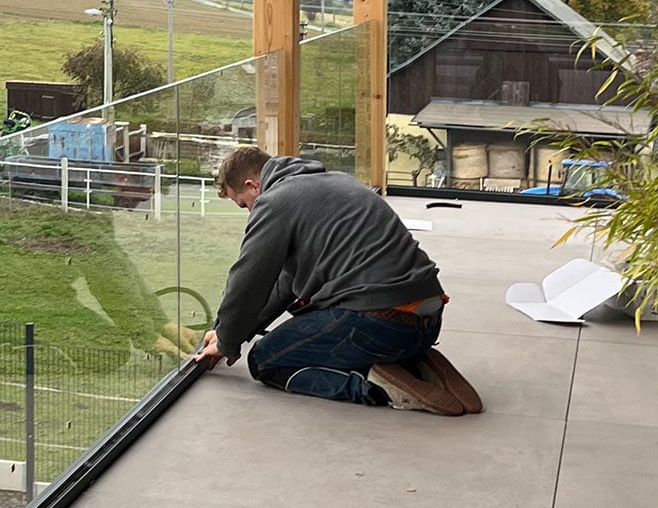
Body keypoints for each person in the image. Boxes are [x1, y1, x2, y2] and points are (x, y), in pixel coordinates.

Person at [191, 146, 482, 415]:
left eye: (244, 205)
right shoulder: (340, 182)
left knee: (266, 360)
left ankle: (375, 385)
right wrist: (229, 334)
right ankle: (413, 361)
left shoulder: (274, 201)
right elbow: (283, 285)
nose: (249, 212)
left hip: (378, 322)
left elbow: (248, 281)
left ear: (252, 185)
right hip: (430, 317)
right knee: (340, 323)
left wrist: (227, 341)